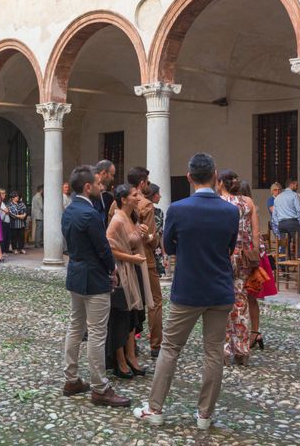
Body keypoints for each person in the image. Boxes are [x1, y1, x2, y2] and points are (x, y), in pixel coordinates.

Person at [134, 153, 238, 429]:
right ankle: (205, 415)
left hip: (188, 288)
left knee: (170, 348)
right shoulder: (230, 210)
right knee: (214, 352)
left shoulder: (178, 209)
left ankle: (155, 408)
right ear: (215, 175)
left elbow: (168, 246)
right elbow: (230, 247)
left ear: (189, 177)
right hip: (219, 289)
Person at [61, 165, 129, 407]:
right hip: (94, 278)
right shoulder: (89, 214)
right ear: (88, 187)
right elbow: (103, 248)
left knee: (75, 327)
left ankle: (71, 379)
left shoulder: (69, 210)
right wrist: (113, 270)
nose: (102, 188)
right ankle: (100, 388)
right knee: (98, 334)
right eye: (98, 185)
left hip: (75, 275)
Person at [112, 166, 163, 359]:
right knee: (155, 302)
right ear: (142, 183)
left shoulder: (115, 204)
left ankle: (128, 345)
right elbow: (149, 238)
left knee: (128, 302)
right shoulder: (146, 205)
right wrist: (154, 237)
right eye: (148, 182)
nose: (148, 186)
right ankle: (156, 344)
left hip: (121, 259)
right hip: (144, 259)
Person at [106, 184, 153, 379]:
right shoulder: (117, 219)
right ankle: (121, 361)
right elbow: (110, 247)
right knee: (122, 317)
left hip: (134, 270)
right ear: (124, 199)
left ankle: (131, 356)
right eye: (135, 195)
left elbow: (133, 240)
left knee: (133, 316)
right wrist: (132, 258)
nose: (138, 198)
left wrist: (143, 233)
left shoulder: (131, 217)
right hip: (124, 272)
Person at [217, 170, 260, 366]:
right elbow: (256, 233)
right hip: (243, 255)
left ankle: (225, 350)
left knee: (222, 303)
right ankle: (242, 350)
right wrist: (255, 257)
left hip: (222, 255)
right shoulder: (248, 203)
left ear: (221, 183)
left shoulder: (219, 203)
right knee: (241, 301)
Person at [239, 180, 277, 350]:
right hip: (255, 256)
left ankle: (249, 333)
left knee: (244, 296)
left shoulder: (242, 209)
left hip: (246, 256)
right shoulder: (252, 207)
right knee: (251, 297)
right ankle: (254, 333)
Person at [272, 178, 300, 255]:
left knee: (284, 245)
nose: (297, 187)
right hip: (293, 222)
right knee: (299, 244)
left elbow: (274, 214)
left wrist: (278, 223)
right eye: (296, 185)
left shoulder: (277, 197)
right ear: (291, 184)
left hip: (282, 224)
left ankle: (282, 263)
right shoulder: (294, 195)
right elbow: (299, 210)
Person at [146, 184, 168, 277]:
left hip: (158, 251)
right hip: (146, 249)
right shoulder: (144, 211)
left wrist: (164, 255)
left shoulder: (159, 213)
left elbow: (161, 235)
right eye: (158, 194)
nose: (160, 196)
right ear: (152, 195)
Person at [94, 159, 116, 226]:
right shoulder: (91, 195)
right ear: (104, 173)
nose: (112, 178)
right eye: (111, 175)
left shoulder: (107, 197)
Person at [0, 188, 11, 254]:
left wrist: (6, 210)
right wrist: (6, 210)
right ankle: (2, 251)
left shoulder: (3, 202)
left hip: (7, 222)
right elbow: (5, 211)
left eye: (4, 193)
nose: (4, 195)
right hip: (2, 222)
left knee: (7, 237)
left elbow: (7, 211)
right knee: (3, 237)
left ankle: (6, 250)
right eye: (3, 193)